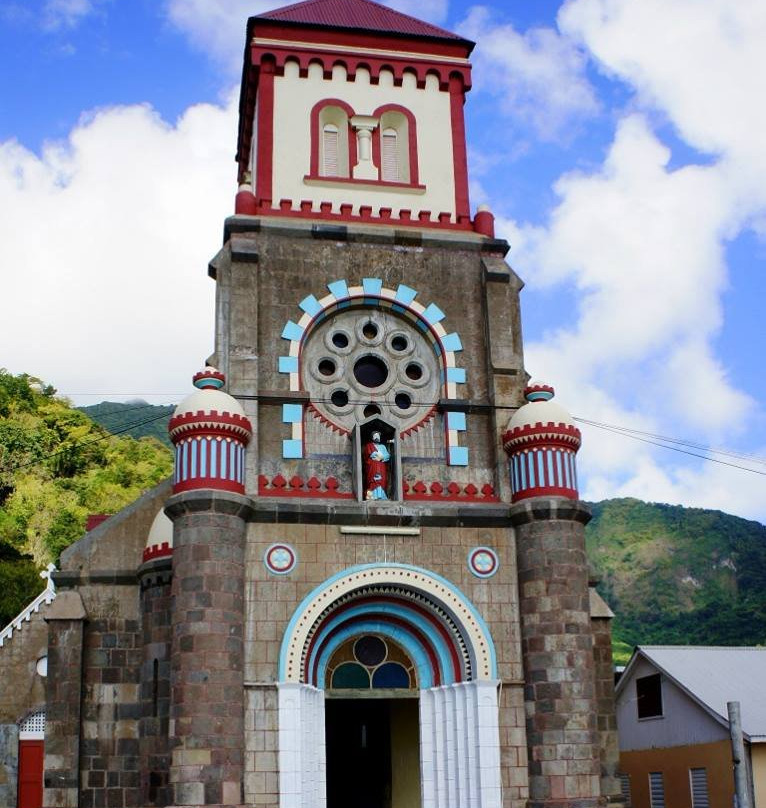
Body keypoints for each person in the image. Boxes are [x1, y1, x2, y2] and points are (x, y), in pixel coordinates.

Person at [363, 431, 390, 500]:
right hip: (372, 466)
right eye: (375, 436)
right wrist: (374, 454)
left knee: (381, 480)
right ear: (372, 438)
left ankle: (381, 496)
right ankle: (372, 496)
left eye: (378, 436)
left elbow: (387, 455)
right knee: (373, 480)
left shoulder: (383, 446)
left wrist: (382, 457)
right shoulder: (369, 445)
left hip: (381, 465)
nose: (377, 437)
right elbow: (367, 455)